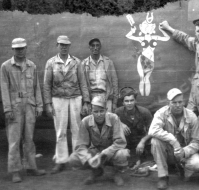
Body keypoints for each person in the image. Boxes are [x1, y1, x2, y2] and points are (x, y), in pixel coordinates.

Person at [1, 38, 46, 182]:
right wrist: (7, 109)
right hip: (14, 106)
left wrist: (39, 105)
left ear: (26, 48)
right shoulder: (6, 66)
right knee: (14, 140)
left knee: (29, 139)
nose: (20, 51)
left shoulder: (31, 65)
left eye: (22, 48)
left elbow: (36, 87)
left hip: (29, 105)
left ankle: (31, 167)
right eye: (17, 48)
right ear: (12, 49)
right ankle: (15, 171)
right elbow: (4, 89)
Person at [43, 35, 90, 174]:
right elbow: (46, 85)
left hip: (75, 98)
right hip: (58, 99)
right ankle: (61, 160)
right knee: (60, 131)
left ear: (69, 46)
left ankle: (77, 159)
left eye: (66, 45)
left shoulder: (76, 62)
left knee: (77, 129)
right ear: (57, 46)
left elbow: (83, 82)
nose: (64, 47)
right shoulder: (51, 62)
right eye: (61, 45)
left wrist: (86, 101)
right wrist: (48, 104)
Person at [148, 88, 199, 190]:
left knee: (198, 163)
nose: (178, 105)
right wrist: (173, 140)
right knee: (155, 141)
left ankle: (183, 168)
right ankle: (163, 177)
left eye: (180, 102)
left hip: (185, 152)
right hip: (169, 151)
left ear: (184, 101)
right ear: (168, 103)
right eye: (174, 102)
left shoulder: (191, 116)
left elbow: (197, 141)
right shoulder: (161, 113)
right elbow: (152, 130)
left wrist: (184, 151)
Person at [68, 96, 129, 186]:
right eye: (95, 111)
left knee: (122, 154)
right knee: (74, 158)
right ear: (90, 111)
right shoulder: (85, 121)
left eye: (102, 111)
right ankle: (96, 170)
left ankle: (115, 173)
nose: (99, 114)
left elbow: (120, 142)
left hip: (111, 152)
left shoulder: (114, 118)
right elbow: (81, 145)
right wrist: (89, 158)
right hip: (95, 152)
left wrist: (104, 153)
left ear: (106, 109)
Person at [115, 87, 153, 167]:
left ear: (135, 101)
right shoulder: (118, 112)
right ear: (123, 102)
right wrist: (120, 124)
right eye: (126, 101)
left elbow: (152, 130)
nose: (129, 103)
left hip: (141, 143)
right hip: (126, 143)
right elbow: (110, 123)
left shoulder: (144, 112)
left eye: (131, 100)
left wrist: (143, 141)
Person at [82, 38, 118, 113]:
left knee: (107, 120)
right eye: (93, 45)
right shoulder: (84, 64)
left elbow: (114, 82)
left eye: (97, 45)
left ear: (100, 47)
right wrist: (85, 102)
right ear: (89, 47)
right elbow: (83, 85)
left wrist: (114, 103)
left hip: (106, 96)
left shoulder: (108, 62)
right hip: (91, 97)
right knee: (93, 120)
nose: (95, 48)